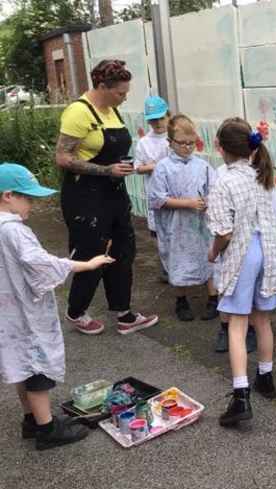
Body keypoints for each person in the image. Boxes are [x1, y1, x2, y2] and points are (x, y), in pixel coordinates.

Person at [0, 163, 115, 450]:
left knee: (20, 363)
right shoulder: (13, 231)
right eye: (28, 198)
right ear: (8, 195)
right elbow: (40, 263)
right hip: (24, 312)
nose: (32, 205)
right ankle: (47, 429)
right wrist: (86, 264)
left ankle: (32, 419)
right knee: (37, 365)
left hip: (7, 312)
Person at [55, 59, 158, 336]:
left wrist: (123, 168)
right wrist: (105, 170)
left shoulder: (112, 111)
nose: (124, 98)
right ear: (101, 86)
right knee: (92, 252)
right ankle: (76, 312)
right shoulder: (78, 112)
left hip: (114, 192)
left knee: (123, 250)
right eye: (120, 93)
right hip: (84, 195)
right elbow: (63, 158)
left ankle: (124, 313)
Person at [208, 118, 276, 427]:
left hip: (242, 255)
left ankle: (240, 396)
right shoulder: (261, 177)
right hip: (268, 253)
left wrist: (213, 252)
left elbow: (223, 232)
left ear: (221, 148)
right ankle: (265, 378)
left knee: (237, 327)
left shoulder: (224, 181)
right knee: (263, 319)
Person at [149, 114, 218, 321]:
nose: (187, 148)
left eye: (192, 143)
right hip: (175, 225)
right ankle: (181, 299)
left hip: (199, 224)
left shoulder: (203, 166)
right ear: (170, 142)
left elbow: (214, 190)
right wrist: (186, 203)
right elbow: (156, 199)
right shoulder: (163, 167)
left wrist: (207, 201)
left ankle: (213, 297)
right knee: (177, 259)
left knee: (208, 256)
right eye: (182, 143)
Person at [134, 95, 170, 278]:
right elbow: (137, 167)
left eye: (161, 118)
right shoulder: (144, 142)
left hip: (175, 193)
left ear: (168, 116)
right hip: (155, 194)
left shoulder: (174, 137)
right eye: (153, 120)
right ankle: (165, 266)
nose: (157, 123)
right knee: (158, 231)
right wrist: (156, 166)